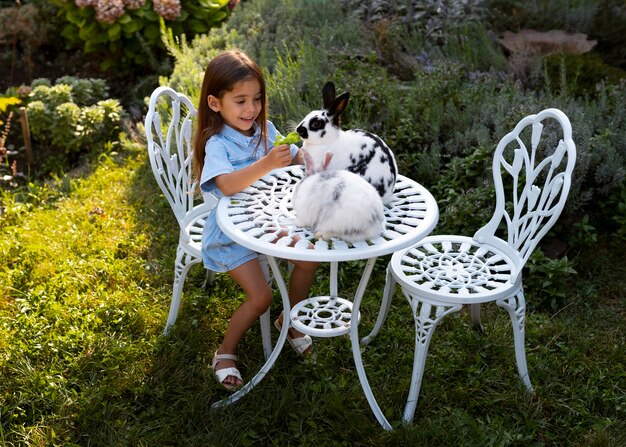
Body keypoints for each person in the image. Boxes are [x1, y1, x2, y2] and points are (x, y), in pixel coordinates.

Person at [192, 49, 318, 391]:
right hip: (231, 236)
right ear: (216, 104)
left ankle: (290, 320)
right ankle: (225, 352)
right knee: (259, 297)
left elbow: (292, 156)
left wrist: (306, 156)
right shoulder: (218, 143)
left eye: (257, 99)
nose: (251, 109)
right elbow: (227, 184)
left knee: (308, 260)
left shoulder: (265, 130)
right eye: (241, 101)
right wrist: (266, 165)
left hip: (270, 223)